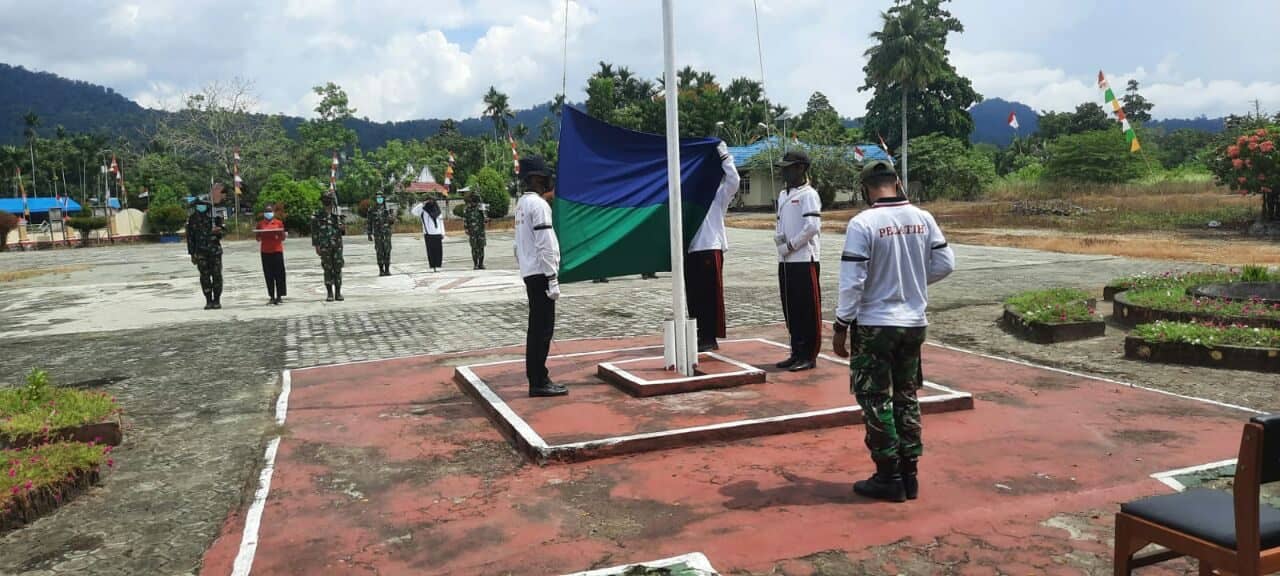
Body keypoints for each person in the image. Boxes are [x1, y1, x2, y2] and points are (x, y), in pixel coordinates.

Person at [832, 160, 955, 503]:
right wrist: (911, 281)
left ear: (865, 188)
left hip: (875, 323)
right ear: (897, 183)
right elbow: (946, 264)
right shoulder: (923, 218)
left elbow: (853, 282)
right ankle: (910, 473)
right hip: (914, 322)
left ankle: (889, 475)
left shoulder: (863, 223)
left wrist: (841, 324)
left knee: (874, 398)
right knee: (906, 395)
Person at [514, 156, 566, 397]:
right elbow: (545, 243)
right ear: (536, 179)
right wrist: (552, 277)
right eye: (544, 177)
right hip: (541, 273)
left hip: (530, 272)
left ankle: (537, 377)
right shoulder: (539, 206)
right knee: (543, 330)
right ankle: (538, 381)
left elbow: (519, 246)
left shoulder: (522, 204)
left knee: (536, 328)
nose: (548, 181)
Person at [686, 141, 741, 352]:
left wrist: (725, 156)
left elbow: (734, 180)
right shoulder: (689, 195)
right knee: (694, 295)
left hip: (710, 248)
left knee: (711, 295)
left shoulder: (718, 194)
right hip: (690, 249)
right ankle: (699, 332)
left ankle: (710, 336)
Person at [773, 150, 823, 372]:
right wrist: (782, 245)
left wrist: (791, 245)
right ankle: (796, 350)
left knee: (807, 309)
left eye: (788, 167)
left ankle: (808, 354)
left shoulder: (808, 194)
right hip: (785, 260)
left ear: (801, 168)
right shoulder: (784, 194)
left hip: (804, 259)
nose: (784, 171)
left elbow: (812, 227)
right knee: (791, 308)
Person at [186, 199, 225, 310]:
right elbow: (190, 238)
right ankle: (208, 300)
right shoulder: (193, 219)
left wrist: (219, 231)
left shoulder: (215, 217)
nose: (201, 206)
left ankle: (217, 300)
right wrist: (192, 253)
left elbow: (223, 232)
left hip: (215, 251)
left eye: (203, 205)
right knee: (204, 277)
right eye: (199, 205)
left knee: (217, 275)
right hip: (201, 252)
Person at [312, 191, 346, 302]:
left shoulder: (338, 214)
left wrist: (342, 226)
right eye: (325, 199)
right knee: (327, 269)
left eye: (328, 199)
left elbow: (343, 231)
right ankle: (329, 293)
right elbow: (314, 232)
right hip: (324, 246)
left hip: (337, 246)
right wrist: (316, 246)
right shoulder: (317, 215)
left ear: (332, 201)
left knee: (338, 268)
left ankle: (338, 292)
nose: (327, 201)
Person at [256, 204, 287, 305]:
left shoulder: (279, 223)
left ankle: (279, 296)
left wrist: (279, 234)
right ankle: (271, 296)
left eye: (270, 211)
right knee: (268, 275)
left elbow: (283, 237)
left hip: (277, 251)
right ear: (264, 213)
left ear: (273, 213)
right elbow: (257, 238)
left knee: (279, 274)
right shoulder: (260, 224)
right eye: (267, 211)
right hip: (265, 252)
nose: (268, 213)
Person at [412, 196, 446, 271]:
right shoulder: (423, 211)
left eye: (431, 201)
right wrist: (422, 204)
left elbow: (441, 222)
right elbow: (413, 212)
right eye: (428, 201)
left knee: (438, 251)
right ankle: (432, 266)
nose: (430, 202)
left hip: (438, 233)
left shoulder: (437, 211)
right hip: (428, 234)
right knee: (430, 251)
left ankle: (438, 266)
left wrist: (443, 233)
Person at [366, 192, 394, 276]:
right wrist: (369, 233)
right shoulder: (371, 210)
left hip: (387, 234)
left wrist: (391, 218)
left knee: (387, 251)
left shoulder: (388, 209)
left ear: (383, 198)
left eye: (381, 197)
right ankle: (381, 270)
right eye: (377, 197)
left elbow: (392, 222)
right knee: (379, 251)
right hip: (377, 234)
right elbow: (369, 222)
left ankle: (387, 269)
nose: (379, 199)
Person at [462, 191, 488, 270]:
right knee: (474, 248)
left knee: (481, 247)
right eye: (471, 201)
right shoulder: (467, 209)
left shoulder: (480, 207)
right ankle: (475, 264)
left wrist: (484, 213)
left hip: (481, 231)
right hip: (472, 232)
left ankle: (481, 264)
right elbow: (465, 219)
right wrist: (466, 229)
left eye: (474, 201)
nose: (473, 203)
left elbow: (486, 218)